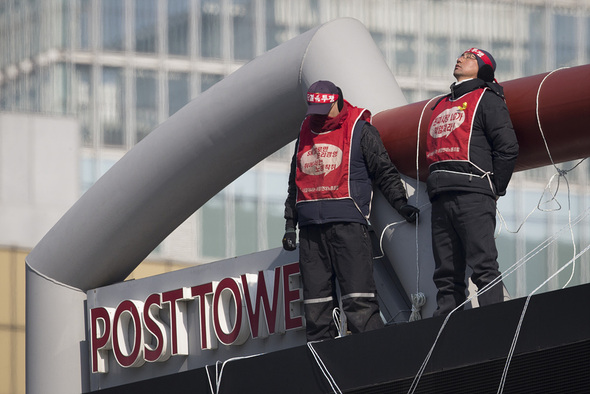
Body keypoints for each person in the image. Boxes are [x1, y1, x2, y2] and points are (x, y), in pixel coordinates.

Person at [282, 80, 420, 341]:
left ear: (338, 102)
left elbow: (383, 169)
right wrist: (290, 224)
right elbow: (295, 182)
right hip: (311, 231)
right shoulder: (305, 131)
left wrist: (400, 203)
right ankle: (322, 368)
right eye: (313, 111)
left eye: (322, 111)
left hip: (348, 226)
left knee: (359, 304)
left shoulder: (360, 129)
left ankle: (371, 363)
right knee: (316, 308)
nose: (317, 118)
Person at [425, 48, 519, 317]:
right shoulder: (440, 104)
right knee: (446, 275)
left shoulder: (487, 99)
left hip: (473, 193)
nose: (460, 58)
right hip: (441, 197)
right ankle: (446, 334)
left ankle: (494, 328)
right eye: (462, 55)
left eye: (469, 57)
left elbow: (508, 148)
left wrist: (493, 189)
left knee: (484, 267)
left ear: (483, 69)